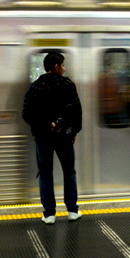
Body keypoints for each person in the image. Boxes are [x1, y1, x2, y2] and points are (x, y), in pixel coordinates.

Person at [22, 51, 82, 224]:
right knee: (69, 171)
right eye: (62, 65)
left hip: (42, 137)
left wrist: (43, 125)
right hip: (64, 137)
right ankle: (72, 210)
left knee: (46, 174)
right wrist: (74, 131)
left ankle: (49, 214)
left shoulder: (35, 87)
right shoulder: (67, 85)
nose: (64, 68)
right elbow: (76, 111)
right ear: (56, 67)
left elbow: (26, 114)